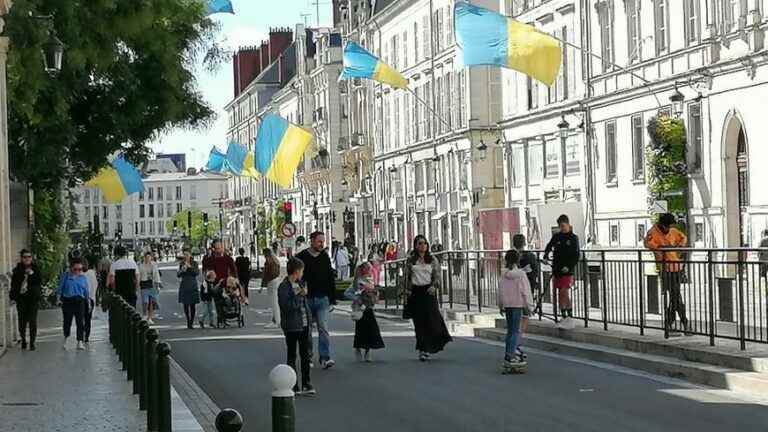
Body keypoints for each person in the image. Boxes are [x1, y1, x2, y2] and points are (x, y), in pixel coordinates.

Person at [403, 235, 452, 361]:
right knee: (419, 323)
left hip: (428, 292)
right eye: (420, 243)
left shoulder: (432, 259)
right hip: (415, 292)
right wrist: (406, 293)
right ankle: (422, 349)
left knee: (432, 320)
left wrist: (434, 286)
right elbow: (406, 277)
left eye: (424, 243)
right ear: (415, 245)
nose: (422, 246)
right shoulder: (411, 260)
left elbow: (437, 275)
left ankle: (433, 344)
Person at [295, 231, 336, 369]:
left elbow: (331, 278)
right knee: (307, 330)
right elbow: (294, 276)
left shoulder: (324, 257)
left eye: (323, 242)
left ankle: (325, 357)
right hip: (306, 299)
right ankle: (308, 356)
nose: (322, 244)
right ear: (311, 241)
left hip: (322, 299)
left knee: (323, 328)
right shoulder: (301, 257)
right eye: (319, 241)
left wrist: (332, 299)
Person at [644, 213, 690, 335]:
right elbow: (647, 244)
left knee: (675, 296)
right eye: (666, 226)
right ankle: (683, 324)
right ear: (661, 224)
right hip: (664, 269)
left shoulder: (673, 231)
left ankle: (670, 323)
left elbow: (683, 238)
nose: (668, 229)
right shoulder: (652, 232)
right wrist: (660, 247)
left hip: (676, 267)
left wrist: (680, 246)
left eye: (669, 226)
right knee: (676, 296)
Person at [278, 258, 315, 395]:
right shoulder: (284, 286)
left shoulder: (301, 284)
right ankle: (292, 384)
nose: (303, 273)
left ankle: (306, 382)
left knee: (305, 355)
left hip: (304, 323)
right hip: (292, 325)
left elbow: (304, 304)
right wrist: (299, 296)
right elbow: (286, 307)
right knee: (292, 355)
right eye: (302, 271)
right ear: (296, 271)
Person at [498, 249, 535, 369]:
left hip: (507, 304)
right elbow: (526, 292)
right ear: (518, 260)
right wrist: (529, 306)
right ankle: (511, 356)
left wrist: (501, 304)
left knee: (510, 331)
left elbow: (500, 291)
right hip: (517, 304)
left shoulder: (503, 274)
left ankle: (507, 355)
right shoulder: (521, 275)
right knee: (515, 331)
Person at [543, 214, 580, 328]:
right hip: (557, 268)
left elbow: (576, 255)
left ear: (568, 224)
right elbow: (549, 245)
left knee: (564, 291)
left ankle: (569, 314)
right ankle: (563, 314)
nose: (562, 228)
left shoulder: (573, 238)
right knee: (560, 293)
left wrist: (569, 267)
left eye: (564, 226)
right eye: (560, 226)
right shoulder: (557, 237)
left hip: (567, 270)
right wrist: (545, 255)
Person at [512, 234, 539, 360]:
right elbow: (535, 272)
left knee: (515, 321)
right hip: (526, 291)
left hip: (512, 294)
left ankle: (513, 347)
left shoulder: (510, 257)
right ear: (524, 243)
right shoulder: (530, 256)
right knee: (524, 318)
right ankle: (516, 345)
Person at [10, 249, 42, 351]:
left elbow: (39, 281)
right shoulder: (17, 270)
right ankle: (23, 339)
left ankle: (32, 342)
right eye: (25, 257)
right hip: (21, 299)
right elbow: (14, 285)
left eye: (29, 257)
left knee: (33, 321)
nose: (27, 259)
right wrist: (12, 298)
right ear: (21, 258)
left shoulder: (36, 269)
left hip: (33, 299)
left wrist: (31, 274)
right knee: (22, 322)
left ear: (31, 258)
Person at [352, 262, 384, 362]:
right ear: (364, 270)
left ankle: (367, 351)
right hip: (361, 308)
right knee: (361, 330)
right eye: (369, 268)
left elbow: (372, 292)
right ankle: (358, 348)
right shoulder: (359, 280)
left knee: (371, 329)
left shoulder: (369, 280)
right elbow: (362, 293)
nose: (371, 270)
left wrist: (375, 293)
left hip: (369, 307)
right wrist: (371, 292)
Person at [57, 259, 90, 350]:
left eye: (80, 269)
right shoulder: (65, 276)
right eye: (75, 269)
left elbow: (86, 291)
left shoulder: (83, 278)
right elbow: (60, 288)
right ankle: (66, 339)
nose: (78, 271)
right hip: (67, 300)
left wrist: (88, 303)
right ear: (71, 268)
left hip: (79, 301)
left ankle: (80, 341)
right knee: (67, 321)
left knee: (80, 322)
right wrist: (58, 299)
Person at [178, 251, 201, 329]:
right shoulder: (182, 263)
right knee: (185, 304)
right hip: (184, 284)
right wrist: (182, 270)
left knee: (192, 304)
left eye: (187, 255)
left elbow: (196, 273)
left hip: (192, 284)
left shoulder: (194, 263)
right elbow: (178, 275)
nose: (186, 256)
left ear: (190, 255)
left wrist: (190, 267)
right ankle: (188, 319)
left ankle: (192, 321)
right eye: (184, 255)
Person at [139, 252, 162, 324]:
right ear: (144, 258)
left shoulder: (154, 264)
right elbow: (139, 275)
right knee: (145, 301)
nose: (148, 259)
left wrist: (158, 285)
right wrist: (137, 284)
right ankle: (144, 314)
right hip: (144, 284)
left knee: (151, 301)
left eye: (149, 257)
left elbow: (157, 275)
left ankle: (149, 317)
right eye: (146, 257)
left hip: (152, 284)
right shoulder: (141, 265)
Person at [263, 248, 282, 329]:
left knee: (274, 303)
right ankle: (275, 320)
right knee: (276, 303)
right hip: (277, 281)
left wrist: (263, 284)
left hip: (271, 283)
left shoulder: (269, 262)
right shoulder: (276, 261)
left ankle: (277, 322)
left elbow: (266, 274)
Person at [83, 258, 98, 347]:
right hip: (89, 299)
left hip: (85, 299)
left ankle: (85, 335)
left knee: (84, 318)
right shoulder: (91, 273)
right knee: (86, 318)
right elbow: (95, 285)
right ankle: (86, 335)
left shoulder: (85, 274)